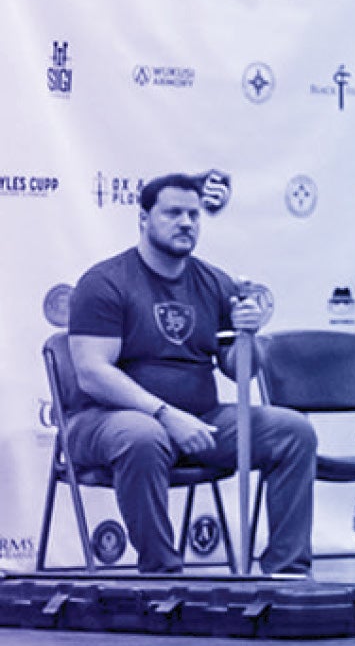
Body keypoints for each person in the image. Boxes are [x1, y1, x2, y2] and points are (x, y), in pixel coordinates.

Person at [63, 173, 316, 576]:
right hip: (106, 420)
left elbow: (240, 372)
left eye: (193, 215)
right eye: (173, 213)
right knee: (142, 436)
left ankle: (287, 573)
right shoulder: (105, 282)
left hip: (201, 419)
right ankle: (163, 574)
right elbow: (93, 373)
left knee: (293, 431)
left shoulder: (215, 282)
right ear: (143, 218)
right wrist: (165, 414)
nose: (185, 223)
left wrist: (249, 335)